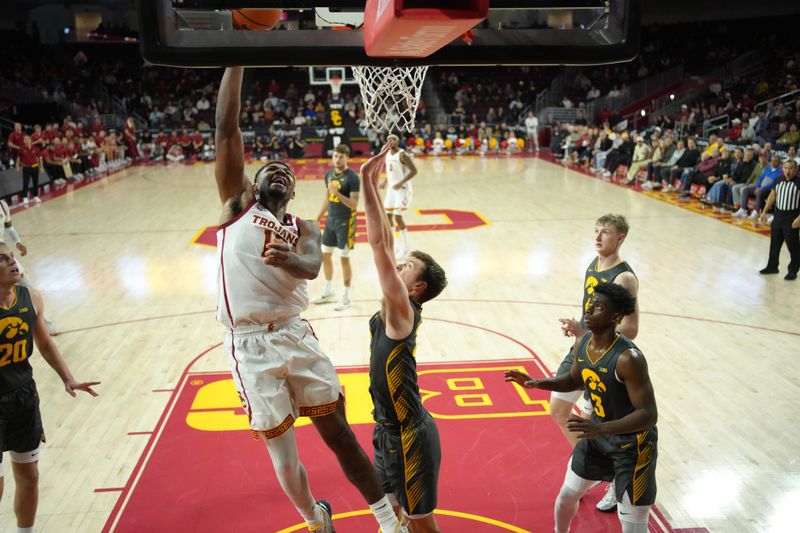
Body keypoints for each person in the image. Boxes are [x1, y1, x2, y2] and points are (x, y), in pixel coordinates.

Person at [213, 67, 405, 533]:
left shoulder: (305, 227)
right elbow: (226, 128)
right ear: (252, 186)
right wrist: (237, 57)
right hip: (250, 346)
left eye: (286, 171)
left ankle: (387, 521)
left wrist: (290, 261)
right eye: (267, 169)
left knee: (339, 432)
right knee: (284, 457)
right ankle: (313, 518)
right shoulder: (238, 208)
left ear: (295, 190)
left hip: (296, 335)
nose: (277, 170)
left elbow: (313, 265)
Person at [505, 282, 657, 533]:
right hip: (597, 435)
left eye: (598, 307)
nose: (589, 310)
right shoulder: (584, 344)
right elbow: (573, 379)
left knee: (632, 521)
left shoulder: (629, 358)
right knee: (567, 495)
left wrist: (601, 428)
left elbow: (649, 415)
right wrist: (537, 383)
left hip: (633, 445)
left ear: (615, 317)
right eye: (590, 304)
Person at [361, 143, 448, 532]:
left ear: (418, 287)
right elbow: (387, 243)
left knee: (420, 523)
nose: (399, 263)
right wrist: (373, 185)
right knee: (393, 516)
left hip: (409, 435)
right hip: (385, 430)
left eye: (408, 266)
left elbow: (380, 243)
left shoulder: (403, 312)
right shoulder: (392, 305)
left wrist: (367, 180)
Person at [0, 241, 100, 533]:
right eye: (3, 260)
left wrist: (67, 377)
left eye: (13, 257)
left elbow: (43, 342)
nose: (13, 263)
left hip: (23, 397)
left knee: (29, 475)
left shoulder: (31, 297)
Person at [551, 214, 639, 512]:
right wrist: (580, 328)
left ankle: (615, 478)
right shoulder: (593, 263)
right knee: (559, 409)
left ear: (621, 238)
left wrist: (587, 334)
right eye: (596, 231)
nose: (598, 237)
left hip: (605, 358)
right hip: (583, 348)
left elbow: (631, 328)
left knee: (598, 423)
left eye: (606, 233)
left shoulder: (624, 278)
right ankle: (591, 467)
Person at [313, 144, 360, 311]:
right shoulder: (328, 175)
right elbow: (327, 198)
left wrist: (338, 193)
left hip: (345, 222)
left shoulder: (353, 177)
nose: (337, 159)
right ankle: (328, 289)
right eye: (335, 156)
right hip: (330, 221)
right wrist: (317, 218)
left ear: (347, 158)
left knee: (343, 258)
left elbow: (354, 205)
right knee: (325, 255)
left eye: (340, 156)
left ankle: (347, 295)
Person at [759, 159, 800, 280]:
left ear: (796, 169)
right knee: (775, 243)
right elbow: (772, 196)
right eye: (786, 168)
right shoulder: (778, 180)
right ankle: (772, 267)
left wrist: (799, 218)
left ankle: (793, 270)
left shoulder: (799, 182)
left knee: (793, 246)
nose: (788, 171)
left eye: (791, 168)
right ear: (783, 169)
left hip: (792, 216)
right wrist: (765, 211)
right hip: (778, 215)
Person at [379, 134, 418, 260]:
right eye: (389, 139)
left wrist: (401, 182)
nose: (391, 141)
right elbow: (391, 171)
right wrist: (385, 181)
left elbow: (414, 171)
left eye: (394, 139)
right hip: (392, 189)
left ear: (398, 141)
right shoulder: (387, 154)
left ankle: (406, 247)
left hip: (403, 189)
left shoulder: (402, 154)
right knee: (388, 217)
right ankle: (394, 245)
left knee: (398, 217)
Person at [15, 136, 42, 206]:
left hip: (35, 167)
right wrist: (17, 166)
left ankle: (36, 196)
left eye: (28, 139)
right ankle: (25, 197)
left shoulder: (36, 148)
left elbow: (40, 158)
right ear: (24, 141)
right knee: (25, 183)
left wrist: (41, 167)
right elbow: (18, 158)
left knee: (35, 182)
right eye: (25, 139)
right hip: (26, 168)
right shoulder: (21, 149)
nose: (27, 140)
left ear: (30, 140)